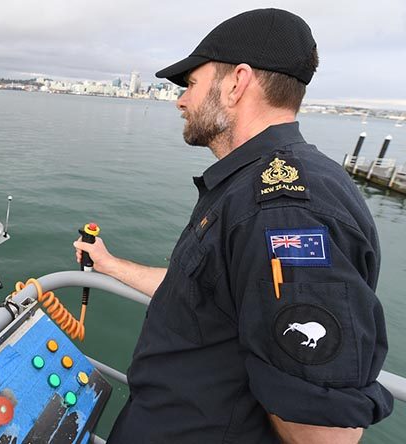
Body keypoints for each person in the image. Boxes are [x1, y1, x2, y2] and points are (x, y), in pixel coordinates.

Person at [73, 9, 392, 444]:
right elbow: (212, 295)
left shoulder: (282, 210)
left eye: (191, 85)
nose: (181, 101)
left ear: (236, 83)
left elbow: (323, 434)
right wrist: (109, 264)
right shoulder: (253, 186)